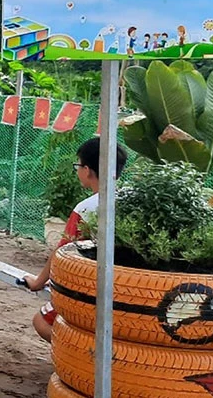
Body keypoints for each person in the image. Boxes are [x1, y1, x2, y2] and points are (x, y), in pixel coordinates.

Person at [22, 137, 127, 342]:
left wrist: (37, 282)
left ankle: (78, 356)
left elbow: (62, 252)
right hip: (129, 286)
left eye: (78, 165)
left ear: (87, 170)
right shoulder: (130, 198)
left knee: (41, 321)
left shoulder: (87, 208)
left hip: (94, 288)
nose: (77, 170)